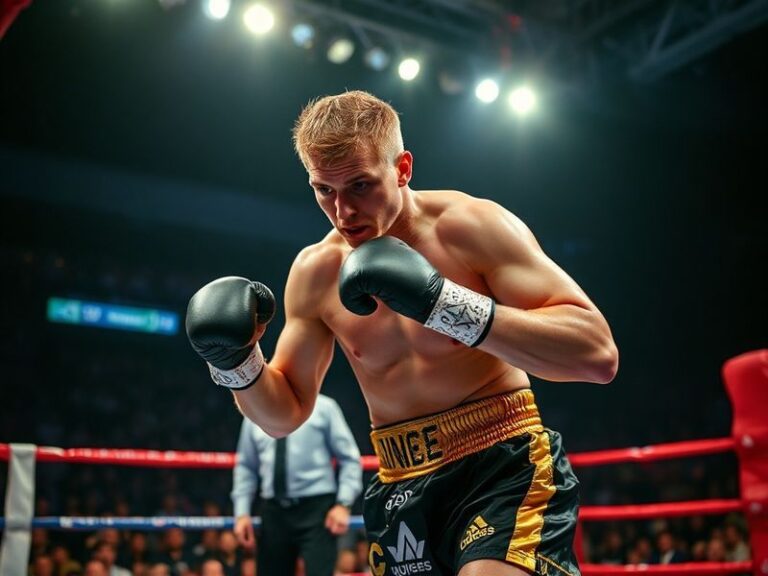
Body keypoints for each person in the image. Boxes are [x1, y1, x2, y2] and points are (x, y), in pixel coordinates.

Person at [186, 90, 619, 576]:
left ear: (402, 168)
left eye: (360, 185)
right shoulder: (315, 272)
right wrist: (236, 364)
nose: (343, 211)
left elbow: (597, 353)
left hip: (502, 465)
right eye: (324, 190)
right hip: (400, 482)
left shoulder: (470, 227)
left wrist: (443, 304)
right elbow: (283, 415)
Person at [230, 394, 363, 576]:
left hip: (317, 510)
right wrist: (241, 513)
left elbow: (350, 459)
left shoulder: (324, 407)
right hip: (274, 510)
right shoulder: (254, 411)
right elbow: (246, 466)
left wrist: (343, 504)